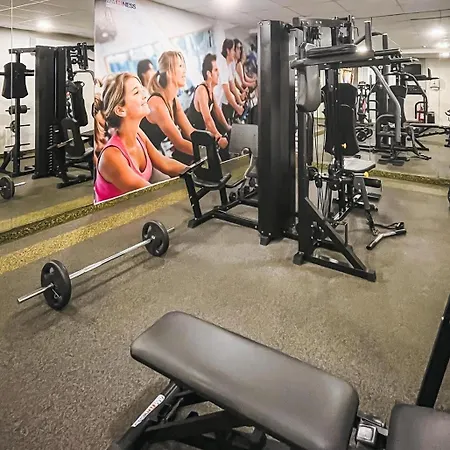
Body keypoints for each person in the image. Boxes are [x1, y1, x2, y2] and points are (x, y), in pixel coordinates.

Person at [94, 72, 187, 203]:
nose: (144, 95)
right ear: (120, 110)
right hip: (120, 214)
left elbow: (164, 163)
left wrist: (195, 171)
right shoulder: (111, 156)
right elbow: (150, 193)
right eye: (136, 92)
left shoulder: (138, 133)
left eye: (142, 89)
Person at [140, 51, 197, 165]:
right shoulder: (157, 103)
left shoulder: (173, 100)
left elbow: (191, 132)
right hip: (142, 159)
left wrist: (212, 141)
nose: (184, 70)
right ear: (169, 72)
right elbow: (179, 143)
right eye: (180, 66)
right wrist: (207, 152)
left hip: (155, 155)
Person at [186, 53, 231, 160]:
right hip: (190, 138)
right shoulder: (202, 90)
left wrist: (228, 128)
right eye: (215, 70)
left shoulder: (210, 90)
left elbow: (217, 111)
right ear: (209, 74)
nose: (218, 73)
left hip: (201, 134)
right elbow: (207, 119)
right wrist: (218, 137)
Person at [214, 39, 244, 124]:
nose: (235, 53)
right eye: (233, 50)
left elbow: (232, 86)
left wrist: (240, 102)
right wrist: (237, 108)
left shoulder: (228, 65)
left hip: (219, 104)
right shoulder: (222, 64)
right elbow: (227, 91)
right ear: (228, 51)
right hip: (215, 103)